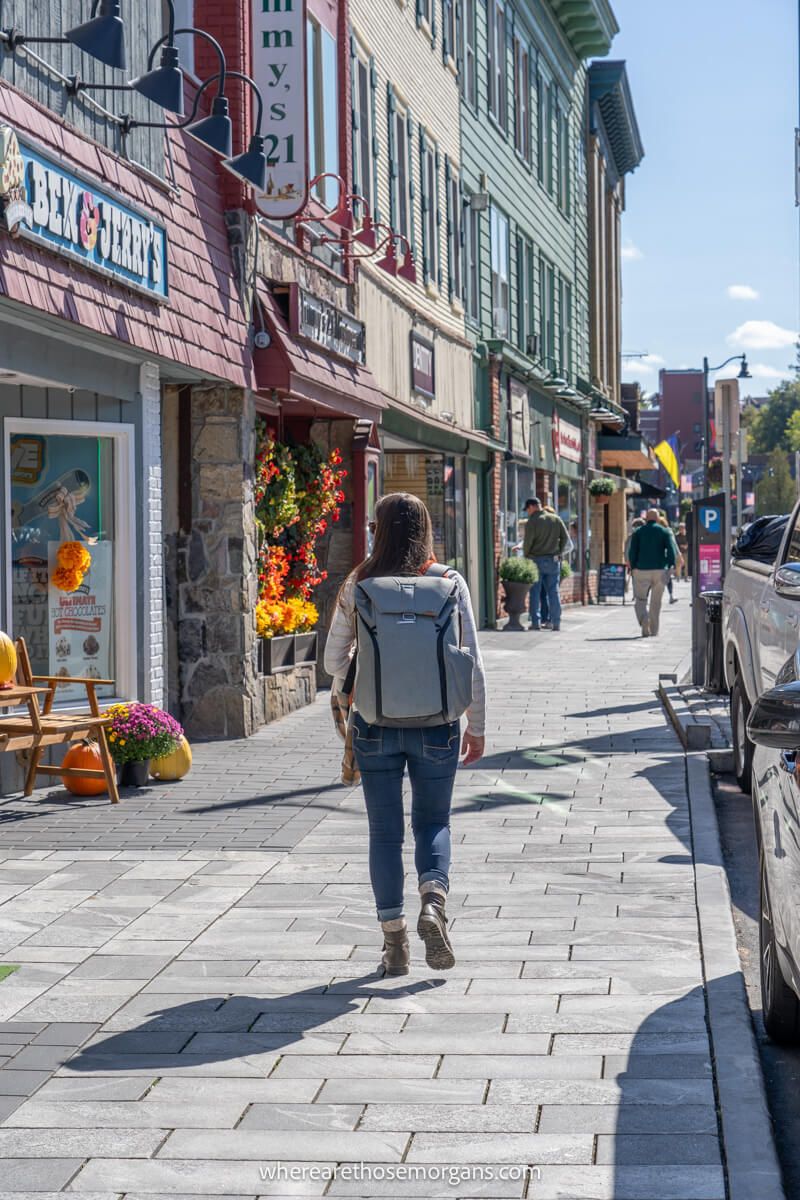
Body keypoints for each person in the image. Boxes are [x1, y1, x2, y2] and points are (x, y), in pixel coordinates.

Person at [324, 493, 486, 976]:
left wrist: (368, 663)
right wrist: (476, 728)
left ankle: (394, 947)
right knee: (433, 822)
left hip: (374, 724)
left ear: (378, 529)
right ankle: (433, 902)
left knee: (384, 834)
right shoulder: (450, 583)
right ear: (427, 529)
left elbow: (333, 662)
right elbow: (471, 663)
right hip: (438, 725)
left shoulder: (360, 584)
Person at [627, 508, 676, 637]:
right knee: (656, 601)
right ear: (658, 518)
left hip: (641, 569)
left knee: (641, 599)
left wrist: (633, 567)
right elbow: (671, 550)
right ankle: (654, 630)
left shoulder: (638, 532)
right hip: (660, 569)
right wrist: (671, 565)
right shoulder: (664, 531)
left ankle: (644, 618)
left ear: (646, 518)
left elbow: (632, 552)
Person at [522, 497, 569, 632]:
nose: (528, 512)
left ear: (532, 507)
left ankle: (536, 622)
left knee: (535, 592)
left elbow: (528, 542)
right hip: (554, 560)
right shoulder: (555, 519)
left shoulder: (533, 521)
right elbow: (565, 538)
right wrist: (559, 551)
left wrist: (526, 555)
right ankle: (556, 623)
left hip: (536, 559)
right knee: (554, 592)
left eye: (527, 509)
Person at [657, 515, 683, 604]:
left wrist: (678, 554)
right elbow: (674, 544)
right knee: (666, 577)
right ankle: (670, 596)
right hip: (666, 557)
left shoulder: (666, 531)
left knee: (665, 577)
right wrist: (678, 554)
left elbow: (673, 543)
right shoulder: (667, 531)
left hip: (664, 557)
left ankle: (669, 596)